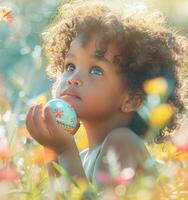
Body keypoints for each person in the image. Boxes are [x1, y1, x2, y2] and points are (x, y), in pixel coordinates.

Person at [25, 0, 188, 192]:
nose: (73, 78)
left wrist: (63, 150)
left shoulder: (122, 142)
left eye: (95, 70)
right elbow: (60, 196)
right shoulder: (85, 155)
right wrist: (52, 148)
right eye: (70, 66)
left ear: (132, 99)